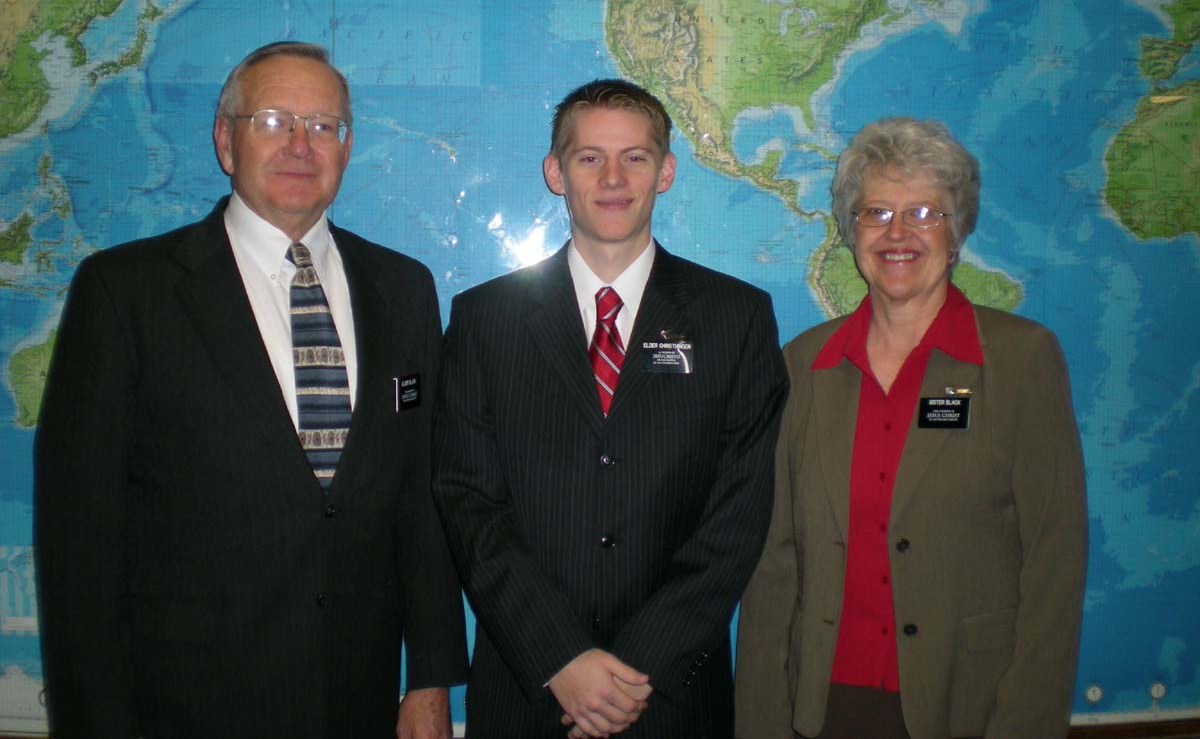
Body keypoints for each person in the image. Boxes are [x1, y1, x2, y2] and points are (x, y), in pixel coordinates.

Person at [34, 41, 468, 739]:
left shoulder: (403, 289)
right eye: (272, 120)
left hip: (357, 700)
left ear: (346, 148)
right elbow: (80, 538)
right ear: (225, 142)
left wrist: (429, 678)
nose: (301, 144)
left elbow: (419, 498)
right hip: (185, 704)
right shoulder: (126, 292)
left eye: (324, 125)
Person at [432, 78, 788, 738]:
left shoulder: (734, 319)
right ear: (556, 172)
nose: (614, 177)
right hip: (528, 690)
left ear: (667, 171)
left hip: (672, 696)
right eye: (590, 157)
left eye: (636, 156)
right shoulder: (485, 321)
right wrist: (560, 658)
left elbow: (737, 515)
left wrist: (637, 667)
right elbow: (469, 501)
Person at [735, 117, 1088, 739]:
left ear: (956, 232)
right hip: (822, 707)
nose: (898, 233)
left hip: (966, 707)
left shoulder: (1021, 360)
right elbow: (774, 566)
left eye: (925, 212)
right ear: (851, 232)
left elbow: (1054, 566)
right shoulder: (804, 365)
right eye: (876, 212)